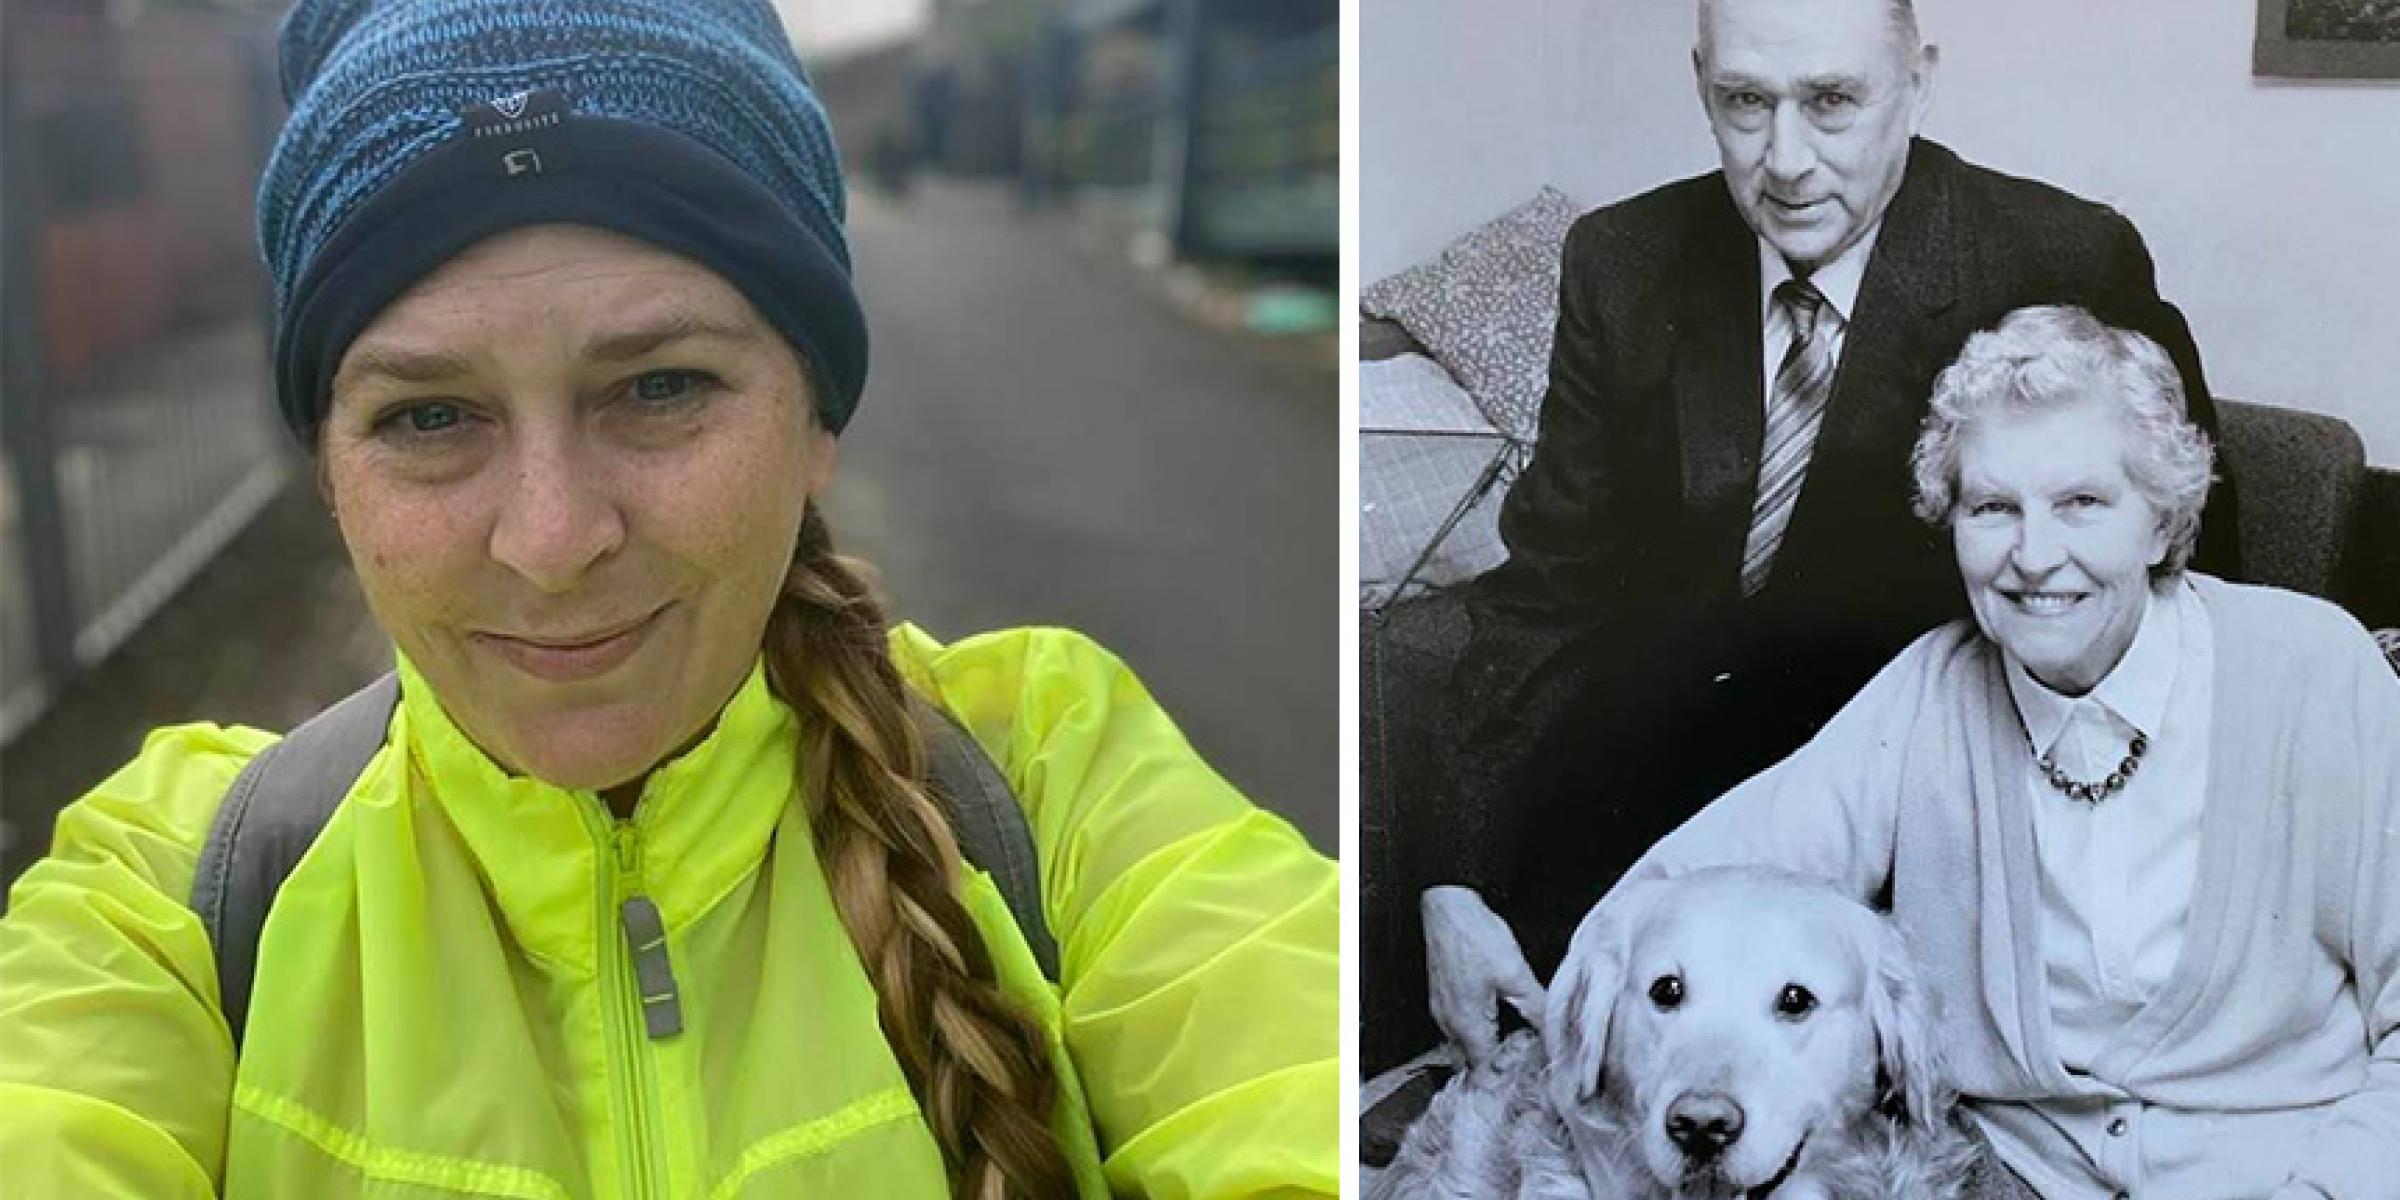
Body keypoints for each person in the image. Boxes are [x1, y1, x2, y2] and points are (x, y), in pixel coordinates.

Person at [0, 2, 1337, 1197]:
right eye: (429, 416)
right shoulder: (176, 895)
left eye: (660, 387)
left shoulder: (1060, 786)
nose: (553, 539)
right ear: (331, 475)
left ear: (816, 417)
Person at [1421, 0, 2243, 1069]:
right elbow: (1548, 591)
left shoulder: (2060, 256)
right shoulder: (1620, 262)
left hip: (1938, 819)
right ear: (1702, 84)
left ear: (1918, 81)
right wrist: (1454, 878)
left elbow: (2186, 558)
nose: (1788, 161)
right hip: (1655, 796)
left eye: (1834, 102)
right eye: (1745, 105)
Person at [1559, 305, 2396, 1199]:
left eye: (2082, 503)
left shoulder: (2313, 670)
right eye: (1994, 507)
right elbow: (1656, 903)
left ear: (2161, 523)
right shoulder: (1932, 694)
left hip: (2302, 1176)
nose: (2035, 556)